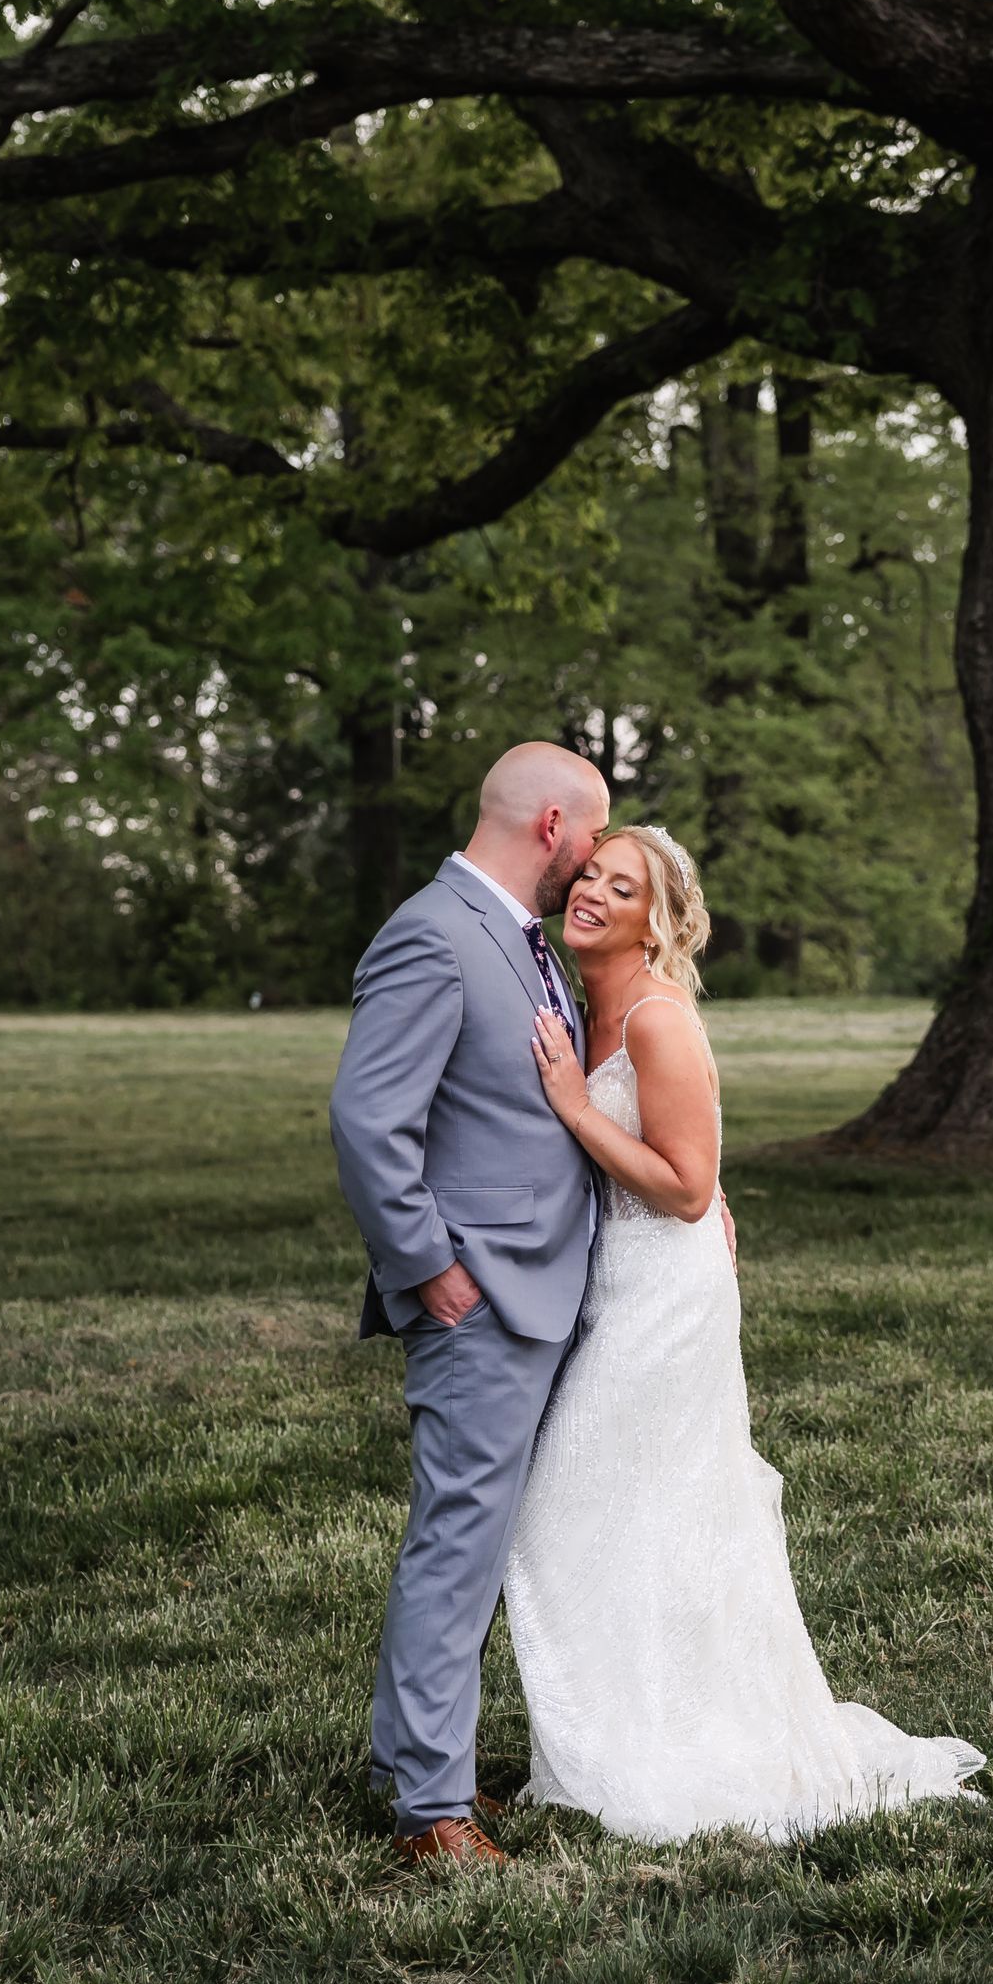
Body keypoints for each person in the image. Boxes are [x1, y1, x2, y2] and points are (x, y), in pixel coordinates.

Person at [504, 821, 984, 1843]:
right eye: (588, 874)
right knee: (634, 1516)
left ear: (657, 923)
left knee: (570, 1510)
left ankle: (661, 1748)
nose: (591, 891)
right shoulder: (578, 1001)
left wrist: (569, 1107)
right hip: (611, 1284)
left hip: (665, 1296)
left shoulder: (656, 1021)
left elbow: (685, 1191)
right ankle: (624, 1731)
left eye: (621, 888)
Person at [329, 740, 610, 1868]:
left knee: (479, 1542)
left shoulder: (516, 937)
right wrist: (426, 1264)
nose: (594, 861)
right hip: (480, 1296)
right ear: (552, 826)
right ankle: (430, 1817)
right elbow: (366, 1119)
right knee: (458, 1543)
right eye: (592, 836)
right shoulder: (434, 933)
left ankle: (417, 1761)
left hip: (538, 1284)